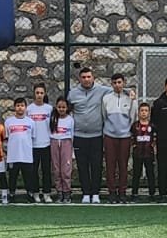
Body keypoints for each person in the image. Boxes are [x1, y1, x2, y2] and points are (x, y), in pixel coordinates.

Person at [67, 65, 112, 203]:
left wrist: (130, 93)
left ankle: (95, 193)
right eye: (83, 77)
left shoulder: (102, 90)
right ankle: (86, 193)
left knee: (96, 165)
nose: (86, 79)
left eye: (88, 77)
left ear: (93, 78)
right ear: (79, 79)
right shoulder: (72, 94)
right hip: (79, 136)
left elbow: (118, 89)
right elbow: (67, 111)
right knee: (82, 166)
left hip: (96, 136)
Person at [103, 73, 137, 203]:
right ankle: (112, 192)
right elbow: (104, 116)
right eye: (115, 83)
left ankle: (122, 192)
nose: (117, 85)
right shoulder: (106, 99)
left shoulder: (130, 98)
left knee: (123, 165)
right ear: (111, 84)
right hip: (110, 136)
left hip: (125, 137)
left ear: (124, 83)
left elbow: (133, 116)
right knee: (110, 165)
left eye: (119, 82)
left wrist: (127, 131)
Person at [5, 97, 40, 203]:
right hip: (13, 156)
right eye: (18, 106)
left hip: (26, 155)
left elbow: (33, 137)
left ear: (25, 107)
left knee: (28, 177)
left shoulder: (31, 122)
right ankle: (12, 194)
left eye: (22, 105)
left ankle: (30, 194)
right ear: (14, 107)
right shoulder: (8, 122)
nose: (20, 108)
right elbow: (6, 137)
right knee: (12, 176)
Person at [27, 83, 54, 198]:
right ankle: (36, 193)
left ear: (45, 94)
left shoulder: (49, 109)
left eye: (41, 93)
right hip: (33, 145)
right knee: (33, 171)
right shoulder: (29, 109)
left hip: (46, 144)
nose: (39, 95)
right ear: (34, 94)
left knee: (46, 170)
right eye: (37, 93)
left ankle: (47, 193)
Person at [49, 97, 75, 202]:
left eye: (63, 107)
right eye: (59, 107)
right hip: (54, 142)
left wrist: (72, 151)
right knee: (56, 169)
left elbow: (72, 134)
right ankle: (59, 192)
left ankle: (67, 192)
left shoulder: (70, 119)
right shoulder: (53, 118)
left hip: (66, 143)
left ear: (67, 108)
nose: (61, 109)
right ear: (56, 107)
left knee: (65, 169)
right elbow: (50, 131)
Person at [130, 102, 157, 200]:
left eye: (146, 111)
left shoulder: (152, 126)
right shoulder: (135, 125)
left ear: (149, 113)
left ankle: (152, 194)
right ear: (138, 112)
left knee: (150, 173)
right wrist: (133, 146)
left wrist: (153, 147)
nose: (144, 113)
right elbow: (131, 138)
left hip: (149, 154)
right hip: (137, 154)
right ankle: (134, 193)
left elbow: (155, 139)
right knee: (136, 173)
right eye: (142, 110)